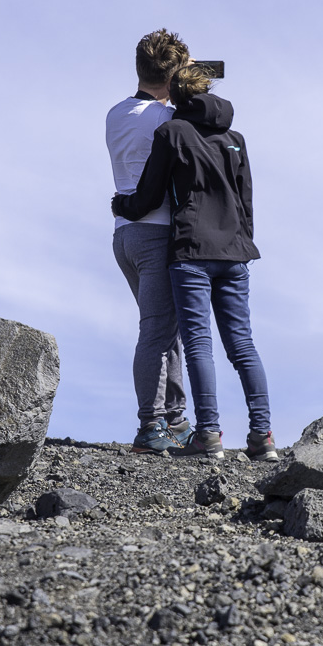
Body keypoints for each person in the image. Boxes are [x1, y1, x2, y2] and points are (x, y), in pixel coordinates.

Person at [111, 61, 276, 461]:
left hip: (191, 253)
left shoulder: (172, 132)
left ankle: (208, 436)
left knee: (199, 343)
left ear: (177, 94)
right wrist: (241, 243)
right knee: (243, 345)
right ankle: (263, 436)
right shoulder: (234, 137)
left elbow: (149, 196)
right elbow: (246, 201)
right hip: (235, 254)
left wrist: (122, 205)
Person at [107, 30, 194, 453]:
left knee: (165, 329)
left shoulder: (115, 113)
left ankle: (175, 419)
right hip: (157, 233)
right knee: (157, 331)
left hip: (125, 236)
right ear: (175, 75)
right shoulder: (168, 120)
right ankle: (151, 425)